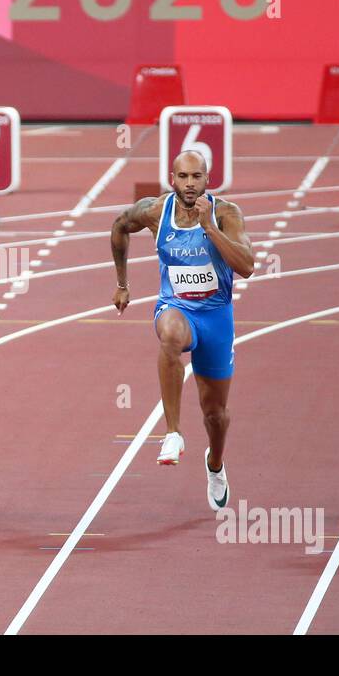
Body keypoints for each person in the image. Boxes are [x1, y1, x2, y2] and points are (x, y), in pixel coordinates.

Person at [111, 150, 254, 511]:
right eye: (183, 177)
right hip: (176, 308)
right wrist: (122, 283)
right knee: (170, 335)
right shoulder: (156, 212)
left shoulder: (225, 214)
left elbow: (248, 266)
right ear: (172, 179)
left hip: (216, 319)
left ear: (208, 179)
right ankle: (172, 432)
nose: (190, 184)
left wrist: (209, 228)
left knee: (215, 414)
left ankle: (215, 463)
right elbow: (118, 226)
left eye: (197, 177)